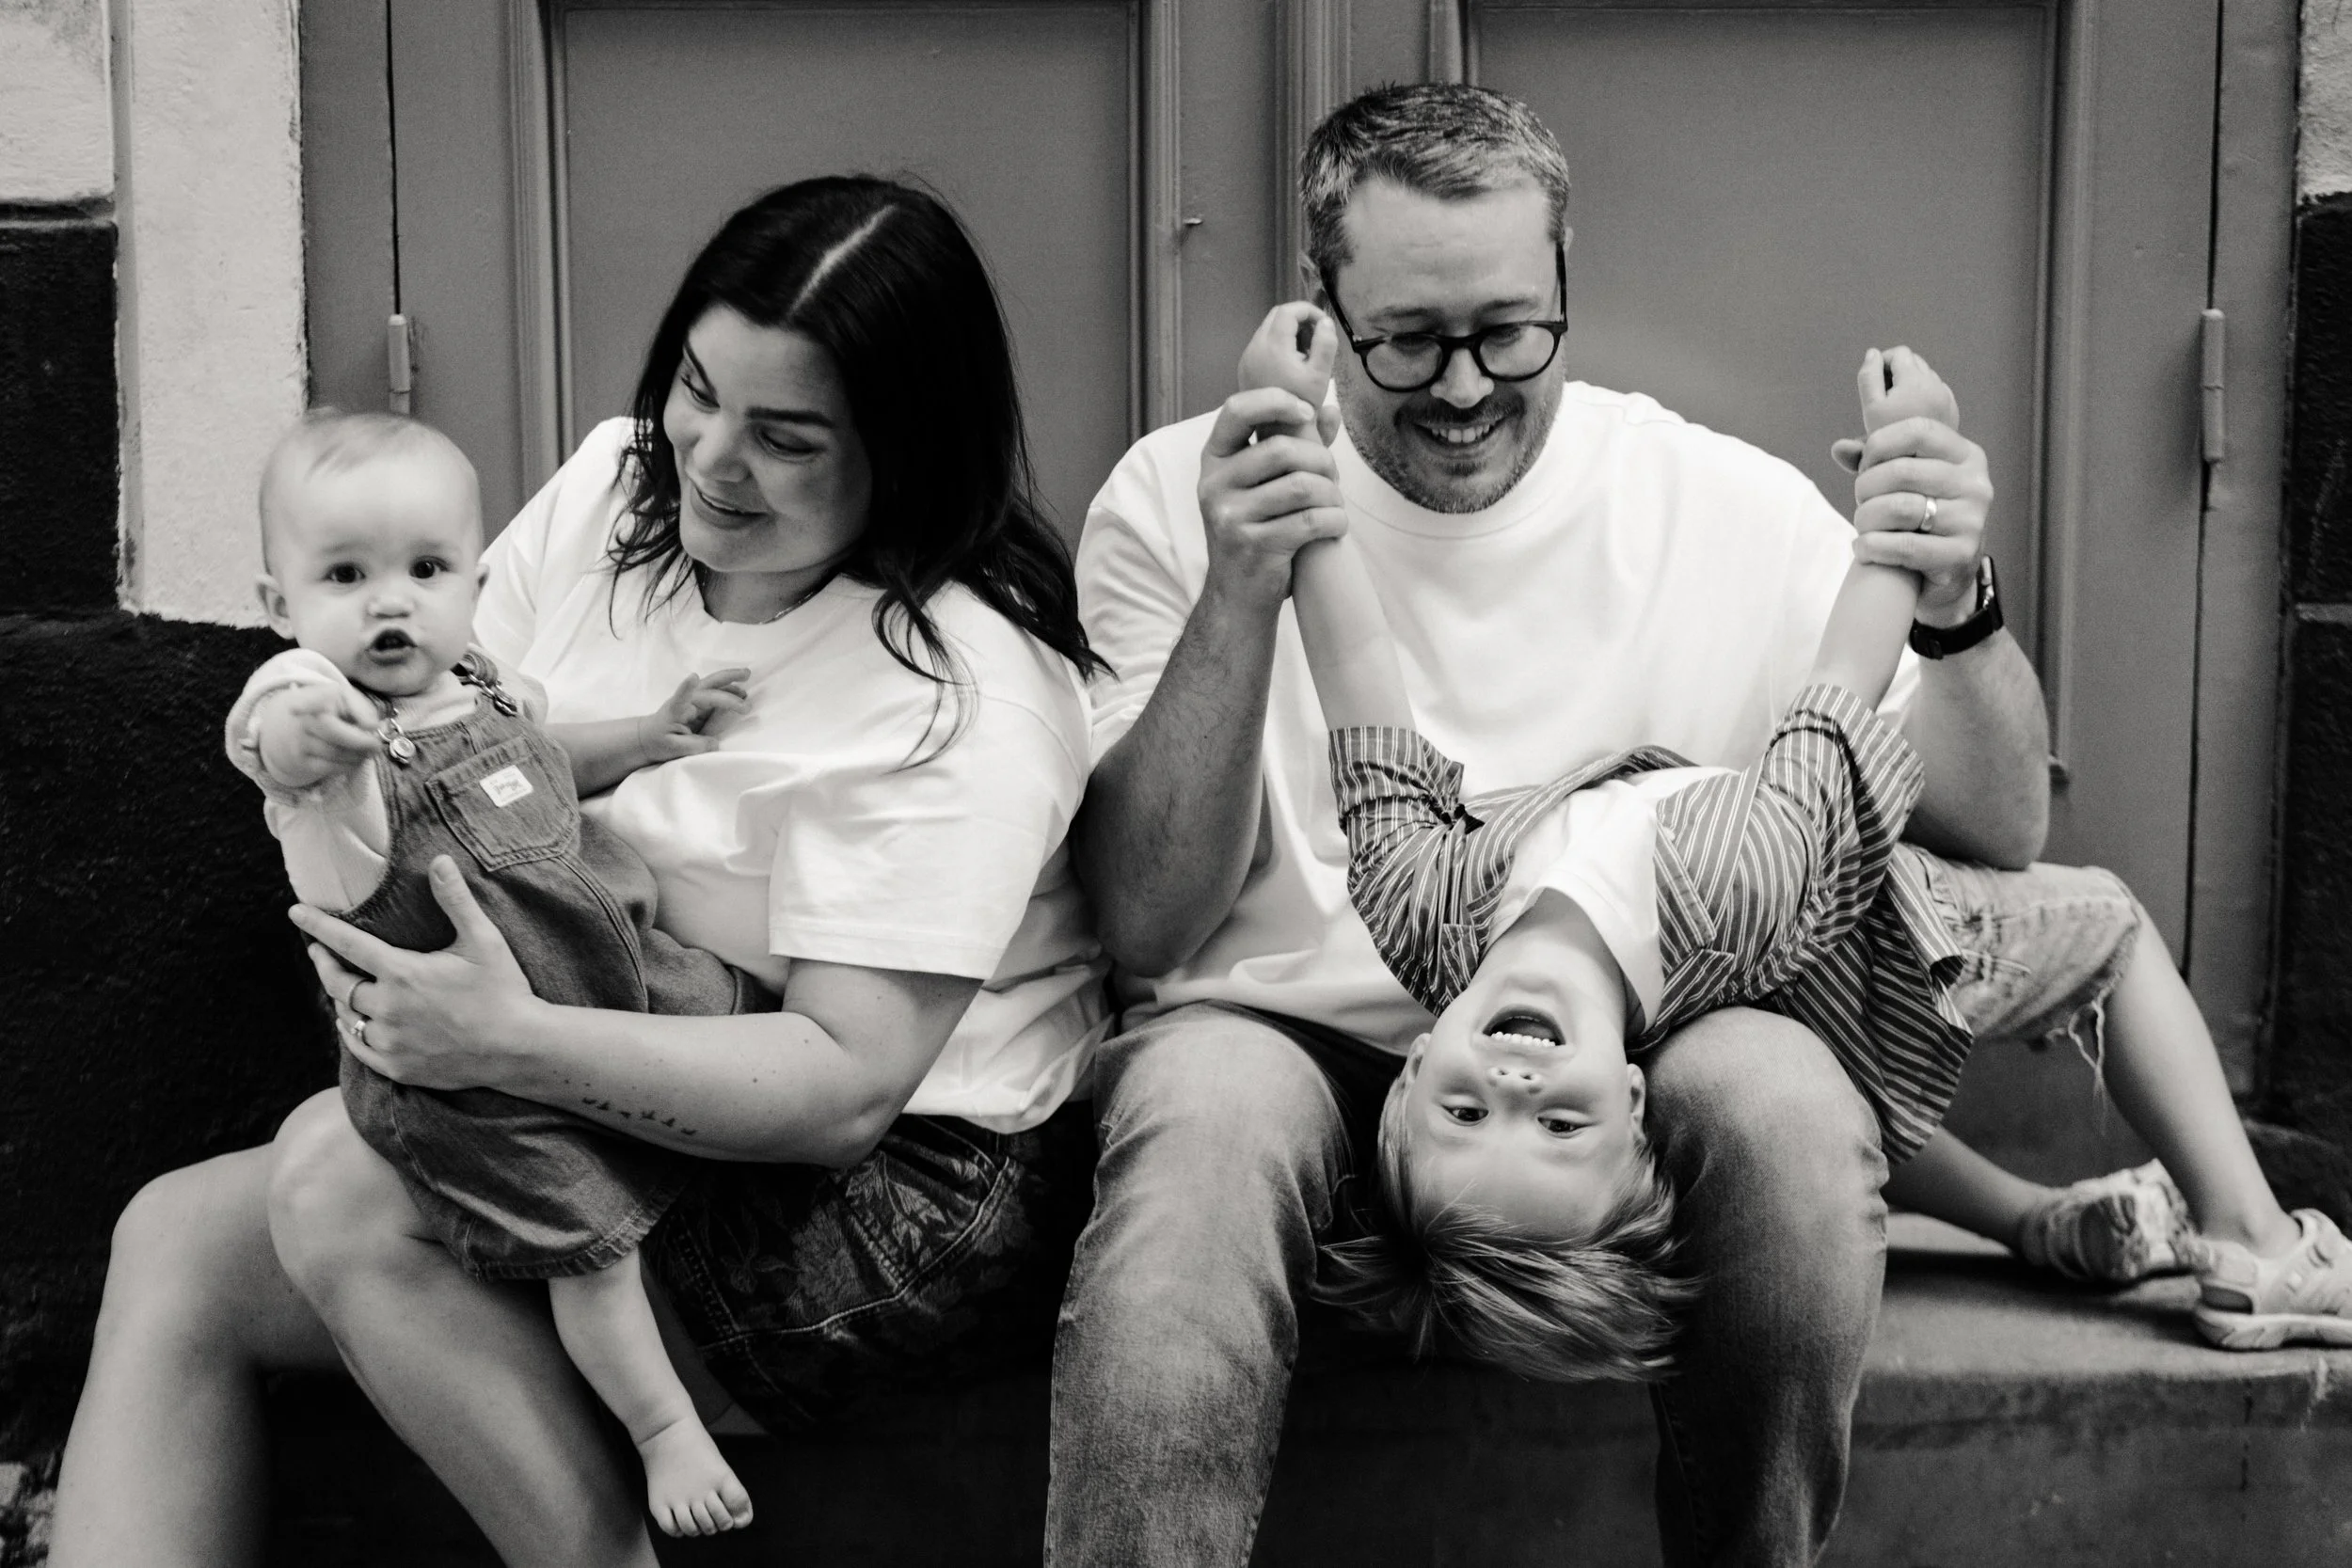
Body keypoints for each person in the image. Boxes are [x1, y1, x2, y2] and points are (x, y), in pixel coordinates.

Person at [1059, 83, 2058, 1565]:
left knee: (1784, 1104)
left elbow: (2001, 820)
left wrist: (1949, 592)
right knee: (1200, 1127)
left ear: (1568, 292)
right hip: (1278, 1029)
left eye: (1508, 330)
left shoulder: (1713, 500)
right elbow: (1144, 919)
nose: (1464, 384)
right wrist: (1244, 579)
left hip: (1636, 1043)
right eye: (1407, 339)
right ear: (1323, 314)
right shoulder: (1180, 491)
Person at [50, 175, 1106, 1568]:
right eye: (698, 388)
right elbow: (450, 706)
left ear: (907, 452)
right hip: (618, 1047)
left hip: (884, 1187)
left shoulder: (964, 683)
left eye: (787, 437)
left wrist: (516, 1040)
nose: (713, 459)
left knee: (337, 1179)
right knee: (175, 1236)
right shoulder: (625, 486)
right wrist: (301, 728)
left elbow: (844, 1087)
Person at [1239, 328, 2348, 1370]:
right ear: (1633, 1100)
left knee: (1841, 1084)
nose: (1516, 1080)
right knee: (2104, 926)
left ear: (1413, 1073)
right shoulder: (1735, 876)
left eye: (1468, 1111)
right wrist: (1901, 503)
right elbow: (1836, 693)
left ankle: (2030, 1219)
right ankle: (2249, 1238)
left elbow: (1360, 690)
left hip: (1783, 988)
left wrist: (1295, 449)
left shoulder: (1426, 908)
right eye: (1559, 1118)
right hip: (1888, 938)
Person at [233, 409, 768, 1536]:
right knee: (587, 1244)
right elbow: (270, 731)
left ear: (474, 582)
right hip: (472, 1079)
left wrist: (654, 730)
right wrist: (302, 733)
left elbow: (544, 754)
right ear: (281, 605)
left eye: (425, 569)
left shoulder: (478, 681)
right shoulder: (325, 745)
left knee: (725, 1008)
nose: (390, 601)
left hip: (599, 975)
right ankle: (663, 1424)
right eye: (344, 574)